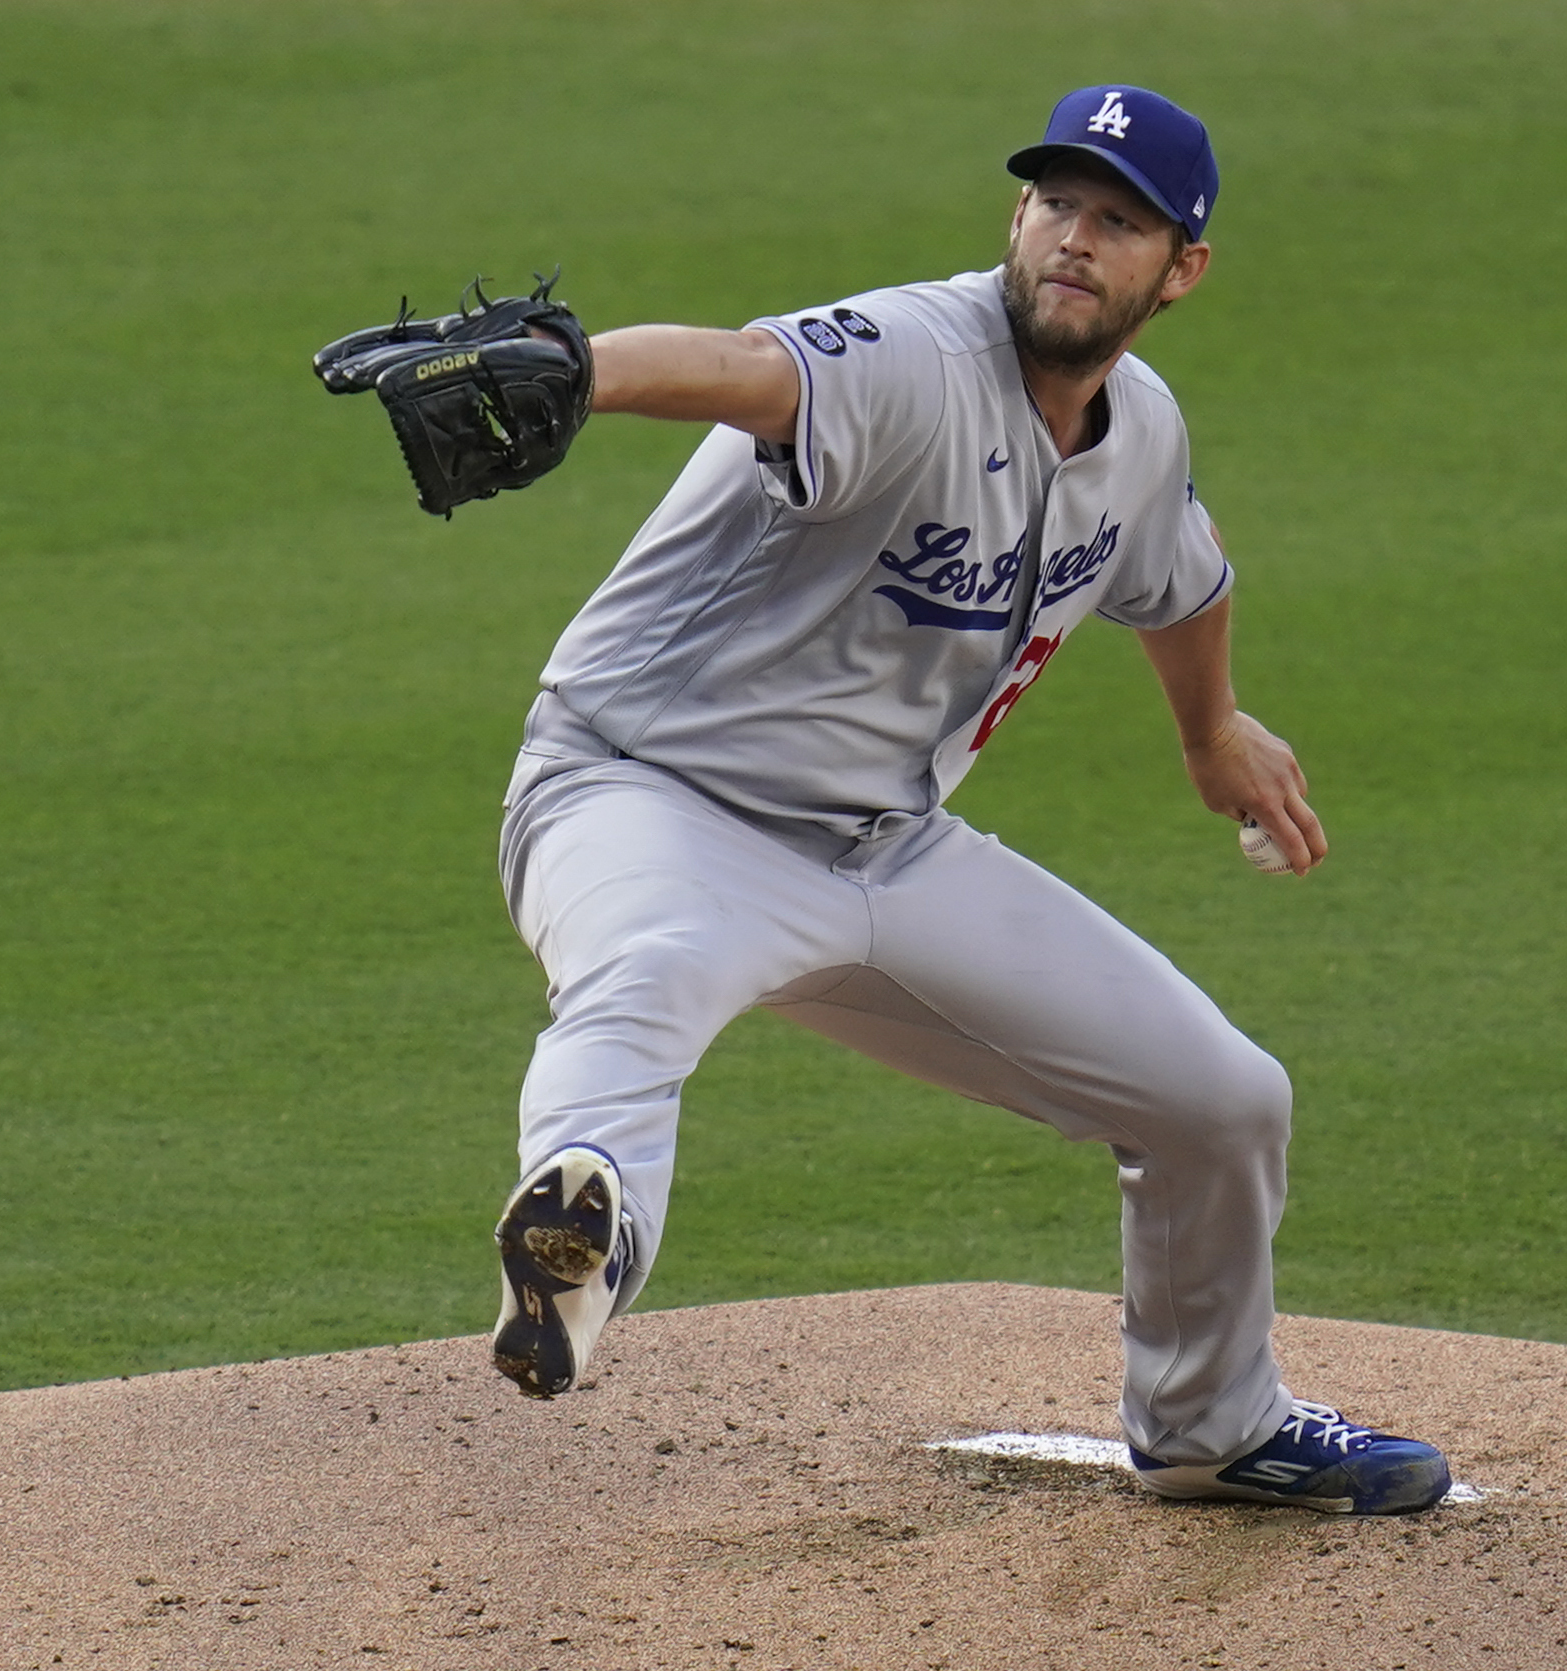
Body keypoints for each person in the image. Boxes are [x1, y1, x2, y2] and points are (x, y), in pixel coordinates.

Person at [486, 85, 1449, 1514]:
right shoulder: (913, 355)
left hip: (889, 848)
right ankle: (580, 1244)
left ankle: (1212, 1427)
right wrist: (585, 372)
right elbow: (753, 369)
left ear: (1179, 269)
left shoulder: (1140, 432)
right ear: (1016, 216)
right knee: (649, 975)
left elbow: (1182, 576)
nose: (1076, 238)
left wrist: (1213, 732)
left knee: (1223, 1103)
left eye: (1119, 221)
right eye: (1056, 203)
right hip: (645, 795)